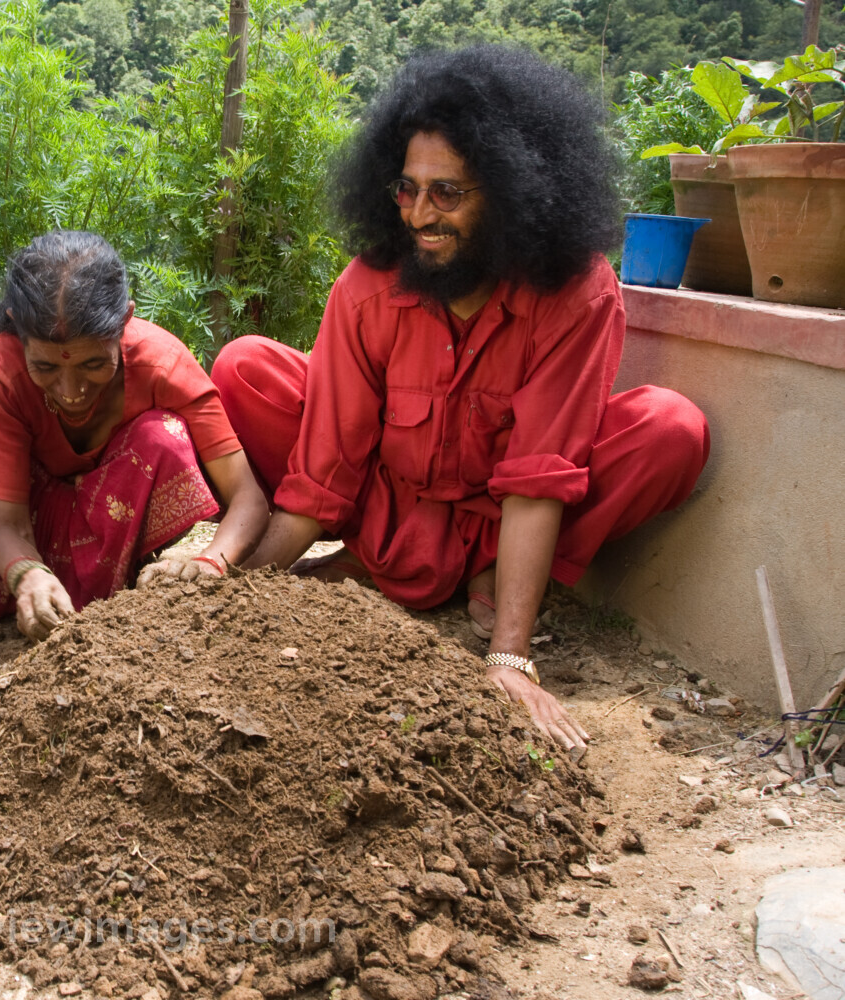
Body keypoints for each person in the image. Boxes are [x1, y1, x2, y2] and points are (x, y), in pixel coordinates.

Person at [212, 47, 710, 750]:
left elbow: (541, 475)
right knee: (246, 367)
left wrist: (509, 658)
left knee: (670, 429)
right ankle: (374, 561)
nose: (419, 215)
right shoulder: (369, 284)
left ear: (512, 192)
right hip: (390, 504)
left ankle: (490, 577)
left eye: (447, 193)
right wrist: (232, 586)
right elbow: (324, 471)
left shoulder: (577, 290)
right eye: (407, 190)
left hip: (509, 516)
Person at [0, 230, 269, 638]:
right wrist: (26, 574)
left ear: (124, 321)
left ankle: (118, 574)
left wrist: (210, 563)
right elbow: (10, 523)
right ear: (18, 331)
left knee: (165, 437)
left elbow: (248, 498)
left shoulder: (163, 364)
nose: (71, 392)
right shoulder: (2, 371)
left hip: (114, 516)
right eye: (47, 368)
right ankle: (12, 596)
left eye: (92, 365)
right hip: (33, 519)